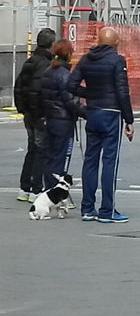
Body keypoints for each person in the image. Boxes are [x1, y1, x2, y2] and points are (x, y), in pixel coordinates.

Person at [67, 27, 134, 223]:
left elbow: (71, 85)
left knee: (91, 161)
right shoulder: (117, 60)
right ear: (115, 41)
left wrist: (91, 94)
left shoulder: (86, 59)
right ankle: (107, 210)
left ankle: (87, 208)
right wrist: (129, 120)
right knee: (110, 162)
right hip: (111, 113)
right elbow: (123, 92)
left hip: (93, 112)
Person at [14, 28, 56, 203]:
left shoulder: (30, 61)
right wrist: (43, 114)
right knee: (40, 150)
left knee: (32, 149)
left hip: (29, 115)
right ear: (51, 45)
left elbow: (19, 87)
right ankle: (36, 189)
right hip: (39, 115)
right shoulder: (45, 64)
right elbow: (40, 92)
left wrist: (23, 109)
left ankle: (24, 187)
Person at [40, 39, 86, 189]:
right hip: (64, 121)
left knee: (49, 157)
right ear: (67, 55)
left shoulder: (47, 72)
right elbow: (71, 101)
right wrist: (87, 113)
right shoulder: (65, 75)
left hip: (50, 119)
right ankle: (56, 192)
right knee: (61, 158)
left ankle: (48, 189)